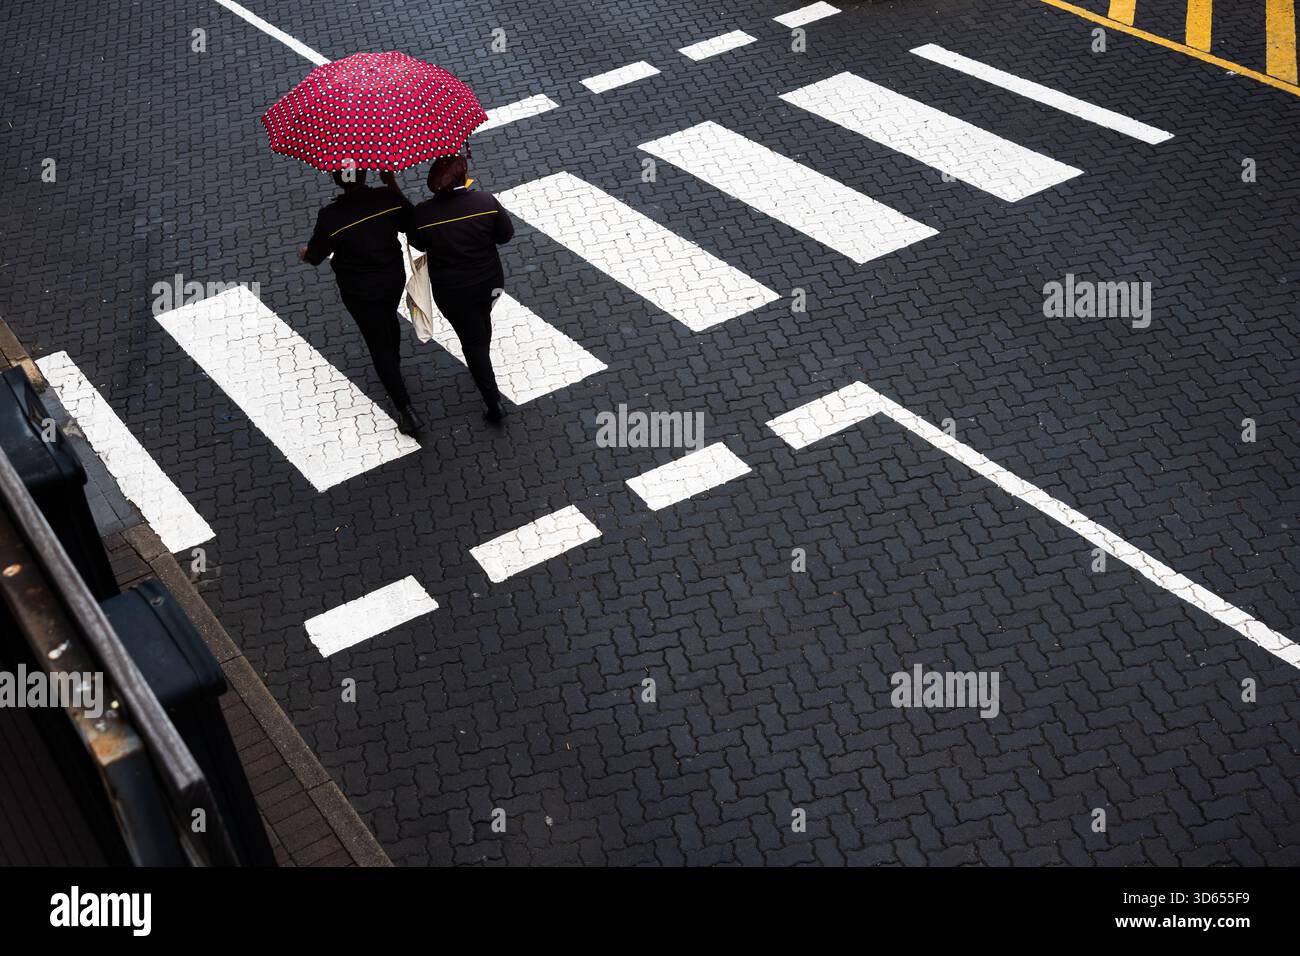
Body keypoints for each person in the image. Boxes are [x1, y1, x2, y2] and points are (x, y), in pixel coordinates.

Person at [299, 168, 422, 437]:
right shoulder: (385, 198)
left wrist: (306, 254)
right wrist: (392, 184)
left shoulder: (330, 216)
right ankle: (395, 363)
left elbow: (316, 255)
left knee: (378, 344)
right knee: (389, 317)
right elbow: (411, 220)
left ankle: (406, 410)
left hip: (360, 291)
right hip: (391, 279)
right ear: (365, 175)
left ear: (336, 180)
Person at [405, 154, 513, 423]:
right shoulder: (485, 202)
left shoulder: (423, 214)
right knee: (481, 320)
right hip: (491, 283)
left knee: (472, 342)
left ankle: (493, 401)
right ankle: (482, 359)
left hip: (452, 292)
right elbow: (505, 235)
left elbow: (417, 243)